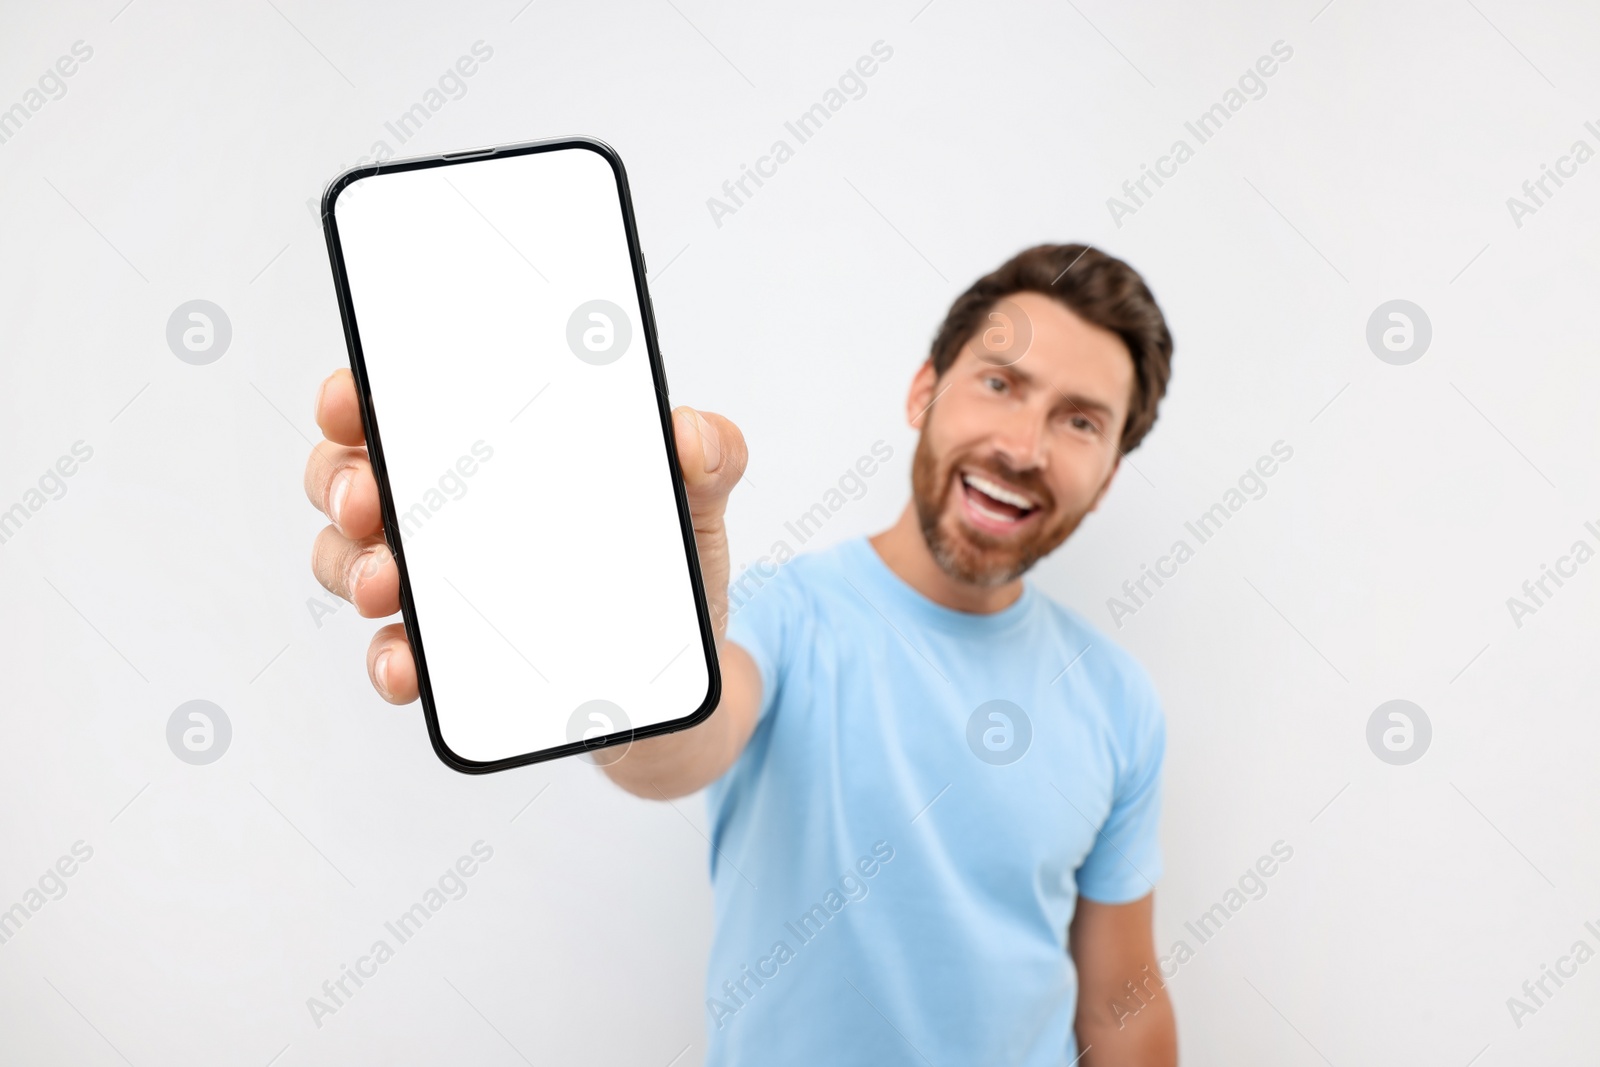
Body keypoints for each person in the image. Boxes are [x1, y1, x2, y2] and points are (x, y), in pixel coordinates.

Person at [304, 243, 1178, 1065]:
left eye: (1080, 422)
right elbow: (680, 742)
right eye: (999, 382)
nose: (1024, 447)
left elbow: (1120, 1005)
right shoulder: (781, 613)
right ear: (924, 393)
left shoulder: (1116, 696)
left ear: (1105, 473)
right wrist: (628, 649)